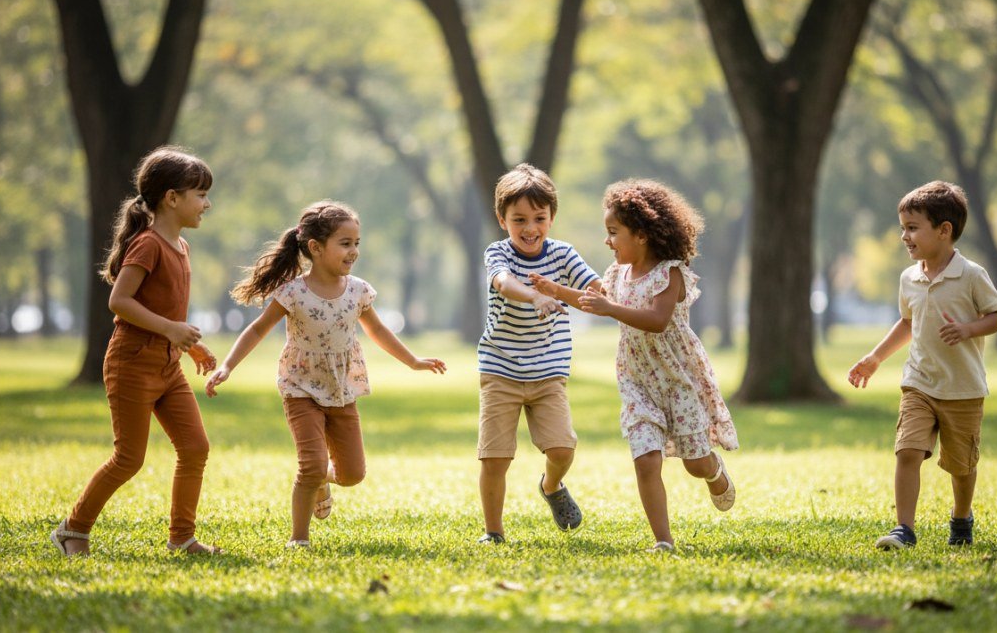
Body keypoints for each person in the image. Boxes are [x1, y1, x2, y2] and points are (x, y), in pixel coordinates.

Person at [204, 201, 445, 549]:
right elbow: (257, 330)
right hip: (300, 388)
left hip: (342, 388)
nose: (354, 251)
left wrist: (413, 360)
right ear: (315, 248)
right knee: (311, 464)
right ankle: (298, 539)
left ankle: (323, 479)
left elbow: (378, 331)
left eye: (357, 242)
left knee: (353, 473)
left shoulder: (359, 290)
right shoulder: (293, 292)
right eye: (345, 243)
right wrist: (227, 365)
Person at [531, 179, 739, 552]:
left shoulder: (670, 273)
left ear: (641, 235)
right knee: (646, 461)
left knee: (694, 463)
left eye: (614, 233)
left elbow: (657, 320)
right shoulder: (618, 275)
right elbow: (593, 301)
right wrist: (555, 290)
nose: (608, 242)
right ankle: (664, 541)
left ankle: (714, 470)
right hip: (638, 380)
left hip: (678, 379)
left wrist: (611, 309)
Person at [51, 146, 222, 557]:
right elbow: (120, 301)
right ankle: (73, 529)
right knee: (129, 458)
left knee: (196, 447)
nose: (207, 203)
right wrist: (171, 329)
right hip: (131, 364)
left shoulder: (181, 247)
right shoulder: (148, 244)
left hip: (168, 367)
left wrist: (190, 345)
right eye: (200, 194)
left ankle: (182, 538)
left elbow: (166, 307)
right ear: (172, 198)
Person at [848, 180, 997, 549]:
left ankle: (962, 517)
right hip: (918, 383)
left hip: (963, 388)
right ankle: (905, 528)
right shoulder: (910, 278)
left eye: (912, 228)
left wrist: (969, 329)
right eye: (903, 227)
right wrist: (875, 358)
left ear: (944, 230)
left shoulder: (971, 275)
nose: (904, 236)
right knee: (907, 451)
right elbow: (907, 323)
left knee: (961, 467)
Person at [475, 164, 602, 544]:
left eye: (538, 218)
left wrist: (613, 290)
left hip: (548, 372)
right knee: (495, 457)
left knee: (563, 448)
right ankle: (493, 532)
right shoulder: (497, 252)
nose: (530, 228)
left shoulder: (563, 254)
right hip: (501, 369)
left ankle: (551, 485)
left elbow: (593, 289)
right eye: (519, 219)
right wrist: (536, 295)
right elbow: (503, 282)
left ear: (551, 218)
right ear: (503, 220)